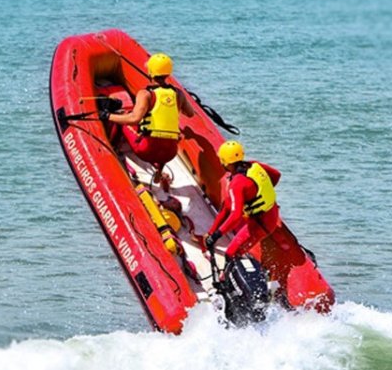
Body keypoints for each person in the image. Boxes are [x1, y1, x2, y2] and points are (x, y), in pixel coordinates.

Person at [99, 53, 195, 185]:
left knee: (123, 121)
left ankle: (114, 151)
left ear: (150, 72)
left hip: (147, 150)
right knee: (166, 135)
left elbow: (134, 119)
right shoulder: (178, 94)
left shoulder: (146, 94)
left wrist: (108, 116)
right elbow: (190, 114)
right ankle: (159, 172)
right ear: (168, 73)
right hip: (170, 154)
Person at [203, 140, 282, 263]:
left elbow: (236, 215)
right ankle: (210, 232)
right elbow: (276, 175)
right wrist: (261, 191)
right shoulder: (254, 165)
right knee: (227, 204)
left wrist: (216, 236)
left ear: (226, 163)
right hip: (270, 209)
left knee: (231, 254)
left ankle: (226, 278)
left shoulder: (237, 184)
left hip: (261, 223)